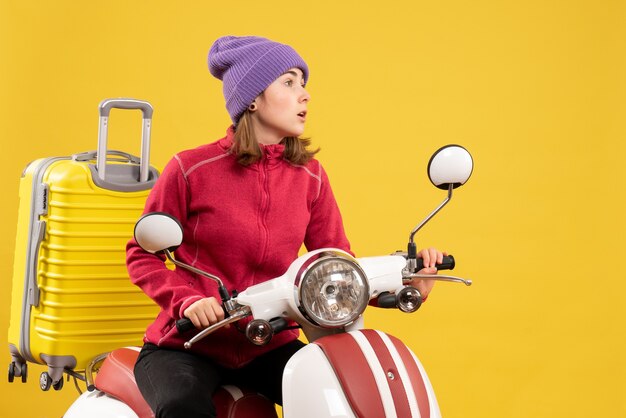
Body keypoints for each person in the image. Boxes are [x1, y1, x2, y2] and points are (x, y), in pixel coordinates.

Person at [126, 35, 445, 418]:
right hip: (188, 345)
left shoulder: (310, 176)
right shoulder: (190, 168)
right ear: (253, 99)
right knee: (183, 407)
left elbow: (338, 266)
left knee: (344, 394)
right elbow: (142, 255)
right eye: (289, 82)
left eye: (304, 84)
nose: (304, 95)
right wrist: (189, 301)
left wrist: (409, 286)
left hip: (267, 341)